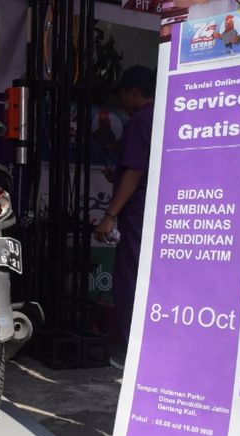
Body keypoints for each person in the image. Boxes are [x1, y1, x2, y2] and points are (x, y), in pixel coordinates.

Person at [94, 66, 156, 363]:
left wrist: (110, 214)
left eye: (122, 95)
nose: (120, 102)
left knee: (130, 280)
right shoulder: (163, 115)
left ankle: (131, 350)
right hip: (153, 211)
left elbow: (134, 170)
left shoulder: (140, 121)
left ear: (133, 92)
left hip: (137, 216)